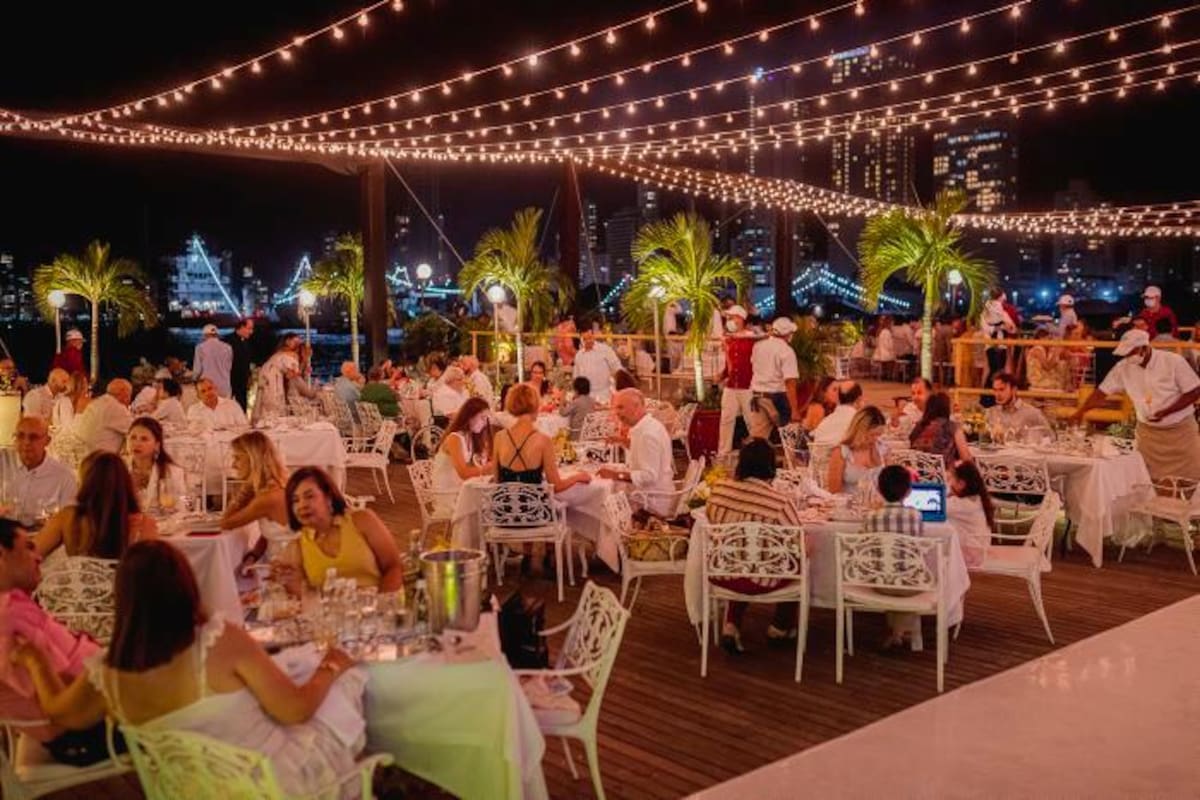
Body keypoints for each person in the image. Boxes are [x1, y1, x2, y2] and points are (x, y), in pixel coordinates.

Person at [12, 540, 366, 797]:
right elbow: (295, 710)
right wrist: (332, 664)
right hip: (268, 784)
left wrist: (35, 661)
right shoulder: (217, 641)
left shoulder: (108, 673)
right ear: (185, 586)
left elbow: (62, 713)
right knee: (341, 687)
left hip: (191, 787)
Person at [0, 518, 112, 766]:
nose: (39, 555)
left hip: (91, 709)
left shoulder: (16, 604)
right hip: (86, 730)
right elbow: (66, 704)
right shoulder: (9, 620)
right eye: (28, 547)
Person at [705, 438, 806, 654]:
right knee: (797, 561)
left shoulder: (719, 491)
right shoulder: (779, 503)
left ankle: (731, 625)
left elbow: (712, 522)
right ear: (772, 467)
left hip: (721, 571)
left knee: (740, 556)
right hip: (760, 580)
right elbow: (799, 545)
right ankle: (780, 627)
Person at [1072, 329, 1200, 481]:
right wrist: (1080, 412)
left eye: (1132, 353)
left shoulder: (1173, 361)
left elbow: (1194, 391)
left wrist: (1167, 411)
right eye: (1126, 354)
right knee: (1147, 479)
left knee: (1188, 479)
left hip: (1180, 432)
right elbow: (1101, 392)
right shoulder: (1123, 368)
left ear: (1144, 348)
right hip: (1147, 435)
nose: (1129, 357)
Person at [277, 466, 404, 593]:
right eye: (295, 500)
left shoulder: (362, 520)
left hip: (376, 606)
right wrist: (289, 583)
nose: (302, 505)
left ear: (328, 497)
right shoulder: (297, 547)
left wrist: (382, 603)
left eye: (309, 496)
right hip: (329, 612)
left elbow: (394, 567)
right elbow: (304, 598)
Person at [35, 452, 158, 559]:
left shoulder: (67, 518)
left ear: (86, 483)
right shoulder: (145, 525)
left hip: (80, 584)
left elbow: (33, 552)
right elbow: (150, 574)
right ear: (124, 482)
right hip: (123, 585)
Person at [860, 465, 925, 650]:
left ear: (879, 490)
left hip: (879, 583)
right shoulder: (916, 516)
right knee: (906, 568)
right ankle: (902, 631)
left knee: (888, 566)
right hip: (912, 585)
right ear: (909, 491)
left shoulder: (871, 517)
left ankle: (896, 631)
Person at [494, 384, 592, 491]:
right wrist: (577, 477)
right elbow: (556, 486)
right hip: (533, 506)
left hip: (503, 505)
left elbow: (497, 480)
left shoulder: (499, 437)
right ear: (535, 406)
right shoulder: (543, 440)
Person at [599, 389, 675, 516]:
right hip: (649, 493)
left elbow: (649, 476)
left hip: (650, 501)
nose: (616, 413)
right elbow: (643, 451)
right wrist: (623, 441)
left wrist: (616, 475)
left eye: (620, 407)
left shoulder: (647, 434)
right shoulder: (647, 426)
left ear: (636, 407)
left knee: (602, 505)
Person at [222, 432, 291, 571]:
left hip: (285, 569)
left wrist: (246, 489)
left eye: (237, 458)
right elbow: (273, 533)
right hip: (275, 560)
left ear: (253, 459)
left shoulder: (267, 498)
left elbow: (226, 522)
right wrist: (254, 554)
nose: (233, 465)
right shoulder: (280, 484)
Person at [4, 417, 77, 524]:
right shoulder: (4, 462)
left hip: (41, 537)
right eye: (20, 436)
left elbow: (68, 524)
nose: (26, 442)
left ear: (47, 441)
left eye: (33, 437)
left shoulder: (64, 477)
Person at [432, 398, 494, 500]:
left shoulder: (469, 436)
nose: (484, 423)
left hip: (460, 488)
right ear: (470, 416)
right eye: (482, 418)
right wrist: (487, 469)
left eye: (486, 419)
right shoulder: (455, 438)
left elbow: (477, 463)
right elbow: (464, 473)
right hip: (447, 492)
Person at [717, 305, 758, 457]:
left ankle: (756, 453)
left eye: (732, 317)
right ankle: (723, 453)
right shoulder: (728, 339)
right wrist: (722, 376)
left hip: (748, 386)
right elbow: (729, 364)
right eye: (728, 317)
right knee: (726, 419)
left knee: (752, 421)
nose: (729, 320)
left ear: (741, 319)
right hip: (731, 385)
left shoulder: (752, 337)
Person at [125, 416, 186, 512]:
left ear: (157, 445)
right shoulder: (118, 469)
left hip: (162, 524)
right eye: (133, 437)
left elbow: (183, 503)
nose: (137, 443)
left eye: (144, 439)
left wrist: (176, 506)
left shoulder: (173, 472)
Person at [750, 317, 803, 427]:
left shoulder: (758, 346)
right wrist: (794, 411)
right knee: (785, 437)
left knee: (759, 438)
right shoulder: (786, 351)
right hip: (777, 398)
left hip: (757, 396)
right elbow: (790, 382)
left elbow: (753, 365)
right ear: (788, 334)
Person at [827, 406, 888, 495]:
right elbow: (834, 491)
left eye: (879, 435)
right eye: (872, 435)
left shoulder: (883, 449)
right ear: (860, 431)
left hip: (877, 505)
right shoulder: (841, 452)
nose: (876, 439)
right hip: (849, 505)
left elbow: (890, 486)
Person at [946, 460, 995, 568]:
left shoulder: (963, 505)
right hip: (978, 548)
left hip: (971, 556)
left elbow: (938, 506)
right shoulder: (976, 498)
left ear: (961, 484)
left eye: (950, 479)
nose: (948, 483)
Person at [909, 392, 972, 466]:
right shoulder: (952, 427)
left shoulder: (919, 426)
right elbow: (966, 459)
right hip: (943, 474)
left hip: (918, 474)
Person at [73, 378, 133, 454]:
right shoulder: (116, 407)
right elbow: (135, 428)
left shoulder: (97, 402)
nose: (129, 400)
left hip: (84, 454)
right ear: (123, 393)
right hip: (102, 458)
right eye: (129, 395)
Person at [253, 334, 302, 423]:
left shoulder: (278, 353)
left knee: (267, 404)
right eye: (295, 341)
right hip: (272, 381)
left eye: (298, 342)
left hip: (267, 379)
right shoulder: (290, 355)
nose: (297, 344)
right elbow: (290, 375)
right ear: (287, 341)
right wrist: (298, 372)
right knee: (274, 404)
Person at [985, 372, 1049, 437]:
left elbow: (1050, 438)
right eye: (995, 390)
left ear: (1014, 390)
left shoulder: (1032, 413)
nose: (997, 394)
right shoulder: (991, 412)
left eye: (1002, 390)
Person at [981, 288, 1017, 401]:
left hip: (1000, 344)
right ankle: (988, 396)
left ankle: (993, 396)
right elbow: (987, 329)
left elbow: (1012, 329)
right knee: (994, 369)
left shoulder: (1001, 313)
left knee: (998, 369)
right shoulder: (986, 314)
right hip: (992, 344)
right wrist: (1000, 327)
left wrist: (1005, 326)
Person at [573, 328, 621, 403]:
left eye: (590, 337)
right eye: (585, 339)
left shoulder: (605, 350)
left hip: (605, 395)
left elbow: (617, 368)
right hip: (586, 397)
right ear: (581, 340)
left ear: (593, 336)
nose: (588, 341)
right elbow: (576, 377)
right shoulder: (579, 355)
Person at [811, 381, 864, 448]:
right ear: (859, 399)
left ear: (839, 399)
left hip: (819, 457)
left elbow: (813, 435)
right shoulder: (859, 421)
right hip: (842, 456)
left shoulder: (826, 421)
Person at [193, 324, 234, 398]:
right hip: (224, 386)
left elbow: (197, 370)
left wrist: (194, 379)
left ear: (205, 335)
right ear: (217, 335)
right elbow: (229, 368)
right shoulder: (228, 347)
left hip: (207, 386)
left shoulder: (200, 348)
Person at [227, 318, 255, 410]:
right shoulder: (227, 341)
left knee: (242, 405)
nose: (251, 332)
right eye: (249, 328)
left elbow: (247, 361)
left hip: (242, 380)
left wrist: (249, 375)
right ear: (242, 327)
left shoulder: (246, 342)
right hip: (230, 380)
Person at [559, 376, 596, 440]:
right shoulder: (592, 400)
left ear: (576, 390)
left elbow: (562, 413)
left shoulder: (577, 402)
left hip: (577, 434)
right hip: (589, 433)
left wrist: (561, 400)